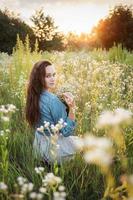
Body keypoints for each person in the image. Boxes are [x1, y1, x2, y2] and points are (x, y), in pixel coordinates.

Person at [25, 60, 78, 166]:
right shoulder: (52, 100)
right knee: (86, 143)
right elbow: (66, 132)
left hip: (39, 149)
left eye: (54, 74)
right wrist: (72, 108)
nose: (53, 78)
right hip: (54, 151)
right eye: (48, 76)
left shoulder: (33, 96)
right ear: (39, 78)